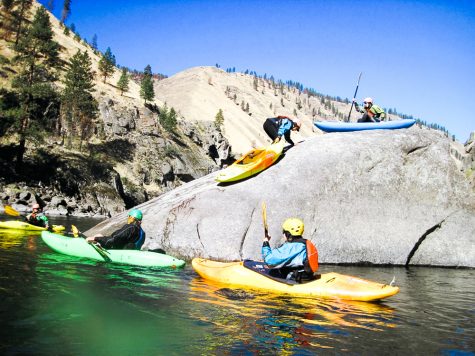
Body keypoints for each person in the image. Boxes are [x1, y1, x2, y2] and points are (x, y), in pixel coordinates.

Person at [262, 218, 319, 282]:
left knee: (272, 272)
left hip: (295, 279)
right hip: (308, 276)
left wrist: (266, 242)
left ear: (287, 234)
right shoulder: (305, 243)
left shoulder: (290, 247)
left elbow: (269, 260)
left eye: (284, 232)